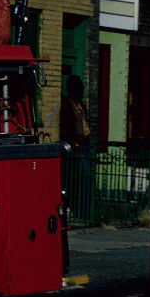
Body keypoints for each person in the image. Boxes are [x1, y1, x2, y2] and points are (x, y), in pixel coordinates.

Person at [60, 76, 94, 223]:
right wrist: (73, 143)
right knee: (82, 177)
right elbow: (65, 127)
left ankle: (84, 210)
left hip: (84, 144)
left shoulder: (81, 105)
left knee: (86, 177)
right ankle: (81, 211)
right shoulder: (67, 105)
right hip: (76, 146)